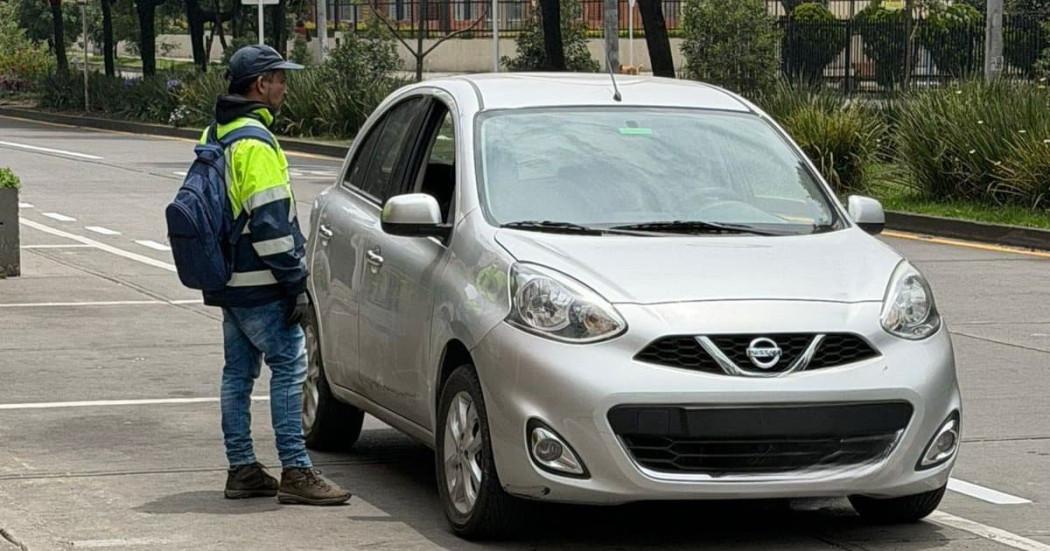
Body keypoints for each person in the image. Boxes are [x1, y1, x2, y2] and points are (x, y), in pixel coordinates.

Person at [203, 44, 350, 506]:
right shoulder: (255, 143)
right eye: (280, 79)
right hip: (260, 281)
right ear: (260, 84)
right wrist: (295, 283)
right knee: (290, 365)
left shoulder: (219, 130)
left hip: (227, 278)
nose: (285, 86)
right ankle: (296, 470)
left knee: (238, 374)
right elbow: (270, 224)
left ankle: (243, 469)